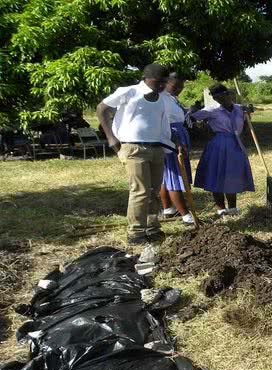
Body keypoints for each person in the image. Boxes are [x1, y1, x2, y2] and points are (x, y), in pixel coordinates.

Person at [97, 63, 182, 245]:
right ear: (147, 78)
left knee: (153, 191)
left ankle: (152, 227)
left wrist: (173, 142)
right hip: (133, 148)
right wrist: (112, 138)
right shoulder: (129, 92)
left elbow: (163, 123)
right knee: (140, 191)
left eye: (164, 82)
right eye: (159, 82)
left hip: (157, 148)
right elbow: (102, 108)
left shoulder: (163, 98)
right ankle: (135, 232)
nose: (162, 85)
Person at [190, 83, 255, 217]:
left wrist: (248, 115)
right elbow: (191, 118)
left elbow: (246, 127)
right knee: (217, 175)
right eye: (216, 98)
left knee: (232, 175)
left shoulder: (240, 109)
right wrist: (202, 127)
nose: (220, 100)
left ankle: (232, 208)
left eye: (222, 96)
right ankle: (220, 208)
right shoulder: (211, 110)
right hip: (218, 145)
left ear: (229, 94)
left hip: (236, 144)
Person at [159, 73, 194, 226]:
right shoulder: (161, 98)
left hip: (178, 134)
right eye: (176, 86)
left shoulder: (171, 97)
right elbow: (164, 121)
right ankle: (186, 215)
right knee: (175, 175)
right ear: (166, 82)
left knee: (167, 175)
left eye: (181, 86)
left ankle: (168, 209)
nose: (179, 89)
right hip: (171, 137)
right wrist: (177, 141)